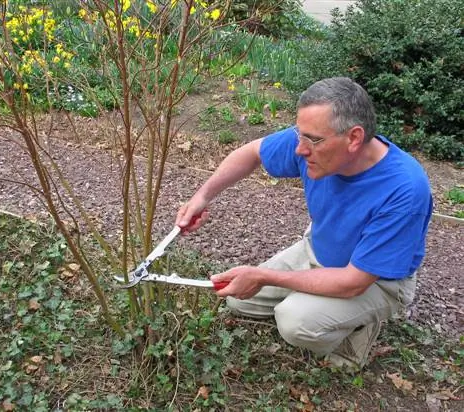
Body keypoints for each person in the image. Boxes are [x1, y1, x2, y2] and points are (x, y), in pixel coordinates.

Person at [175, 77, 433, 369]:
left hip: (377, 280)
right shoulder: (312, 142)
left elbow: (353, 282)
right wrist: (202, 197)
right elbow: (252, 153)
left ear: (354, 138)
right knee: (237, 298)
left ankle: (357, 332)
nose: (300, 149)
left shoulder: (404, 189)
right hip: (319, 248)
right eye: (300, 135)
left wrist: (264, 276)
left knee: (295, 322)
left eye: (312, 140)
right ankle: (315, 299)